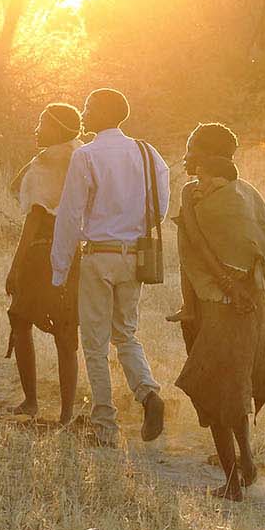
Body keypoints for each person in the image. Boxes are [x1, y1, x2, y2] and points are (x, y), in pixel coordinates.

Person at [171, 123, 265, 500]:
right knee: (232, 387)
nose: (186, 156)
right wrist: (237, 288)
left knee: (215, 387)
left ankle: (234, 481)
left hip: (227, 305)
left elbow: (209, 251)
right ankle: (246, 465)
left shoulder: (204, 197)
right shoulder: (245, 193)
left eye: (191, 148)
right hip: (240, 304)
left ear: (206, 157)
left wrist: (228, 287)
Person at [50, 88, 172, 446]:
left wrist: (59, 269)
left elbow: (71, 215)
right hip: (134, 256)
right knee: (126, 334)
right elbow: (159, 208)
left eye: (89, 108)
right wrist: (132, 227)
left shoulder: (86, 155)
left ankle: (105, 426)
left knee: (94, 343)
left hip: (98, 255)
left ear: (103, 113)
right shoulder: (148, 153)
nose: (84, 115)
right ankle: (148, 393)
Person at [5, 102, 86, 425]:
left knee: (20, 320)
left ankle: (31, 401)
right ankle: (67, 413)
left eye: (43, 124)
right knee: (66, 333)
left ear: (58, 128)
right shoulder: (80, 155)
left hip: (40, 253)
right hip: (72, 253)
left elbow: (34, 216)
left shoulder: (46, 163)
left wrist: (15, 266)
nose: (37, 129)